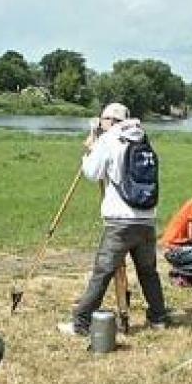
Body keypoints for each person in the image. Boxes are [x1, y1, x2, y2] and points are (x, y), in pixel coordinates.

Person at [58, 102, 169, 336]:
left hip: (120, 221)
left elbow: (92, 173)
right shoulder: (143, 139)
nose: (100, 125)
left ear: (109, 121)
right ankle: (159, 317)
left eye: (102, 121)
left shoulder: (109, 140)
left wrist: (90, 149)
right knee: (148, 271)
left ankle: (81, 323)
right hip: (147, 219)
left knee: (102, 272)